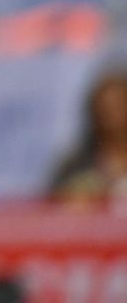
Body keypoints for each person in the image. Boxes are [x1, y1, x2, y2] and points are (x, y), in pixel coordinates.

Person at [48, 68, 127, 209]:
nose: (113, 114)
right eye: (106, 108)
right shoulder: (77, 164)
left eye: (119, 105)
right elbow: (53, 206)